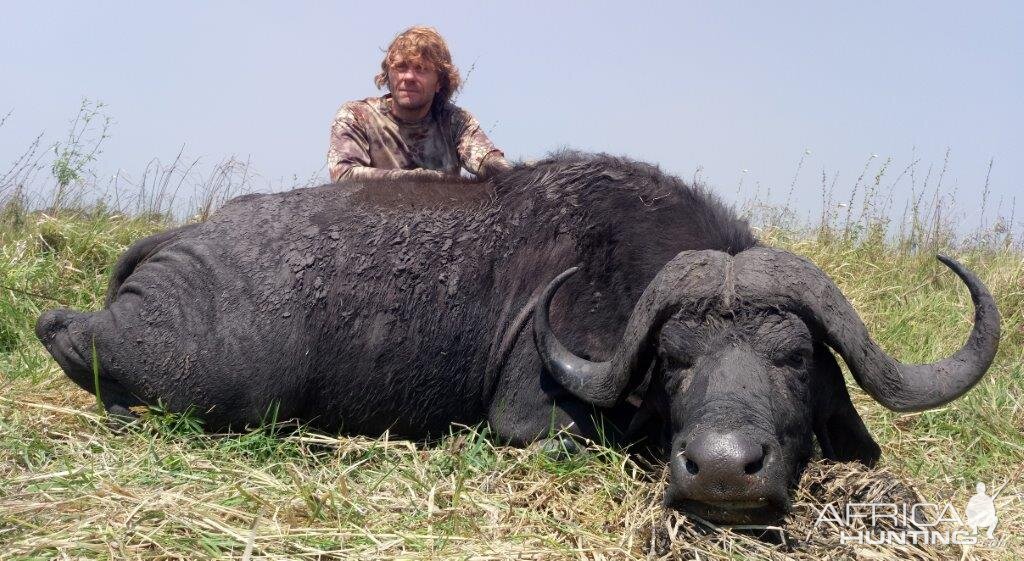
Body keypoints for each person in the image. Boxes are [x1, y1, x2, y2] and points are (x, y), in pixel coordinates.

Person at [328, 26, 510, 183]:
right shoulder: (357, 116)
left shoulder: (455, 122)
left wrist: (521, 176)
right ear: (388, 76)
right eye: (400, 67)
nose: (409, 77)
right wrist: (421, 180)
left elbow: (489, 162)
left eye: (421, 69)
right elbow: (344, 175)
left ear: (439, 82)